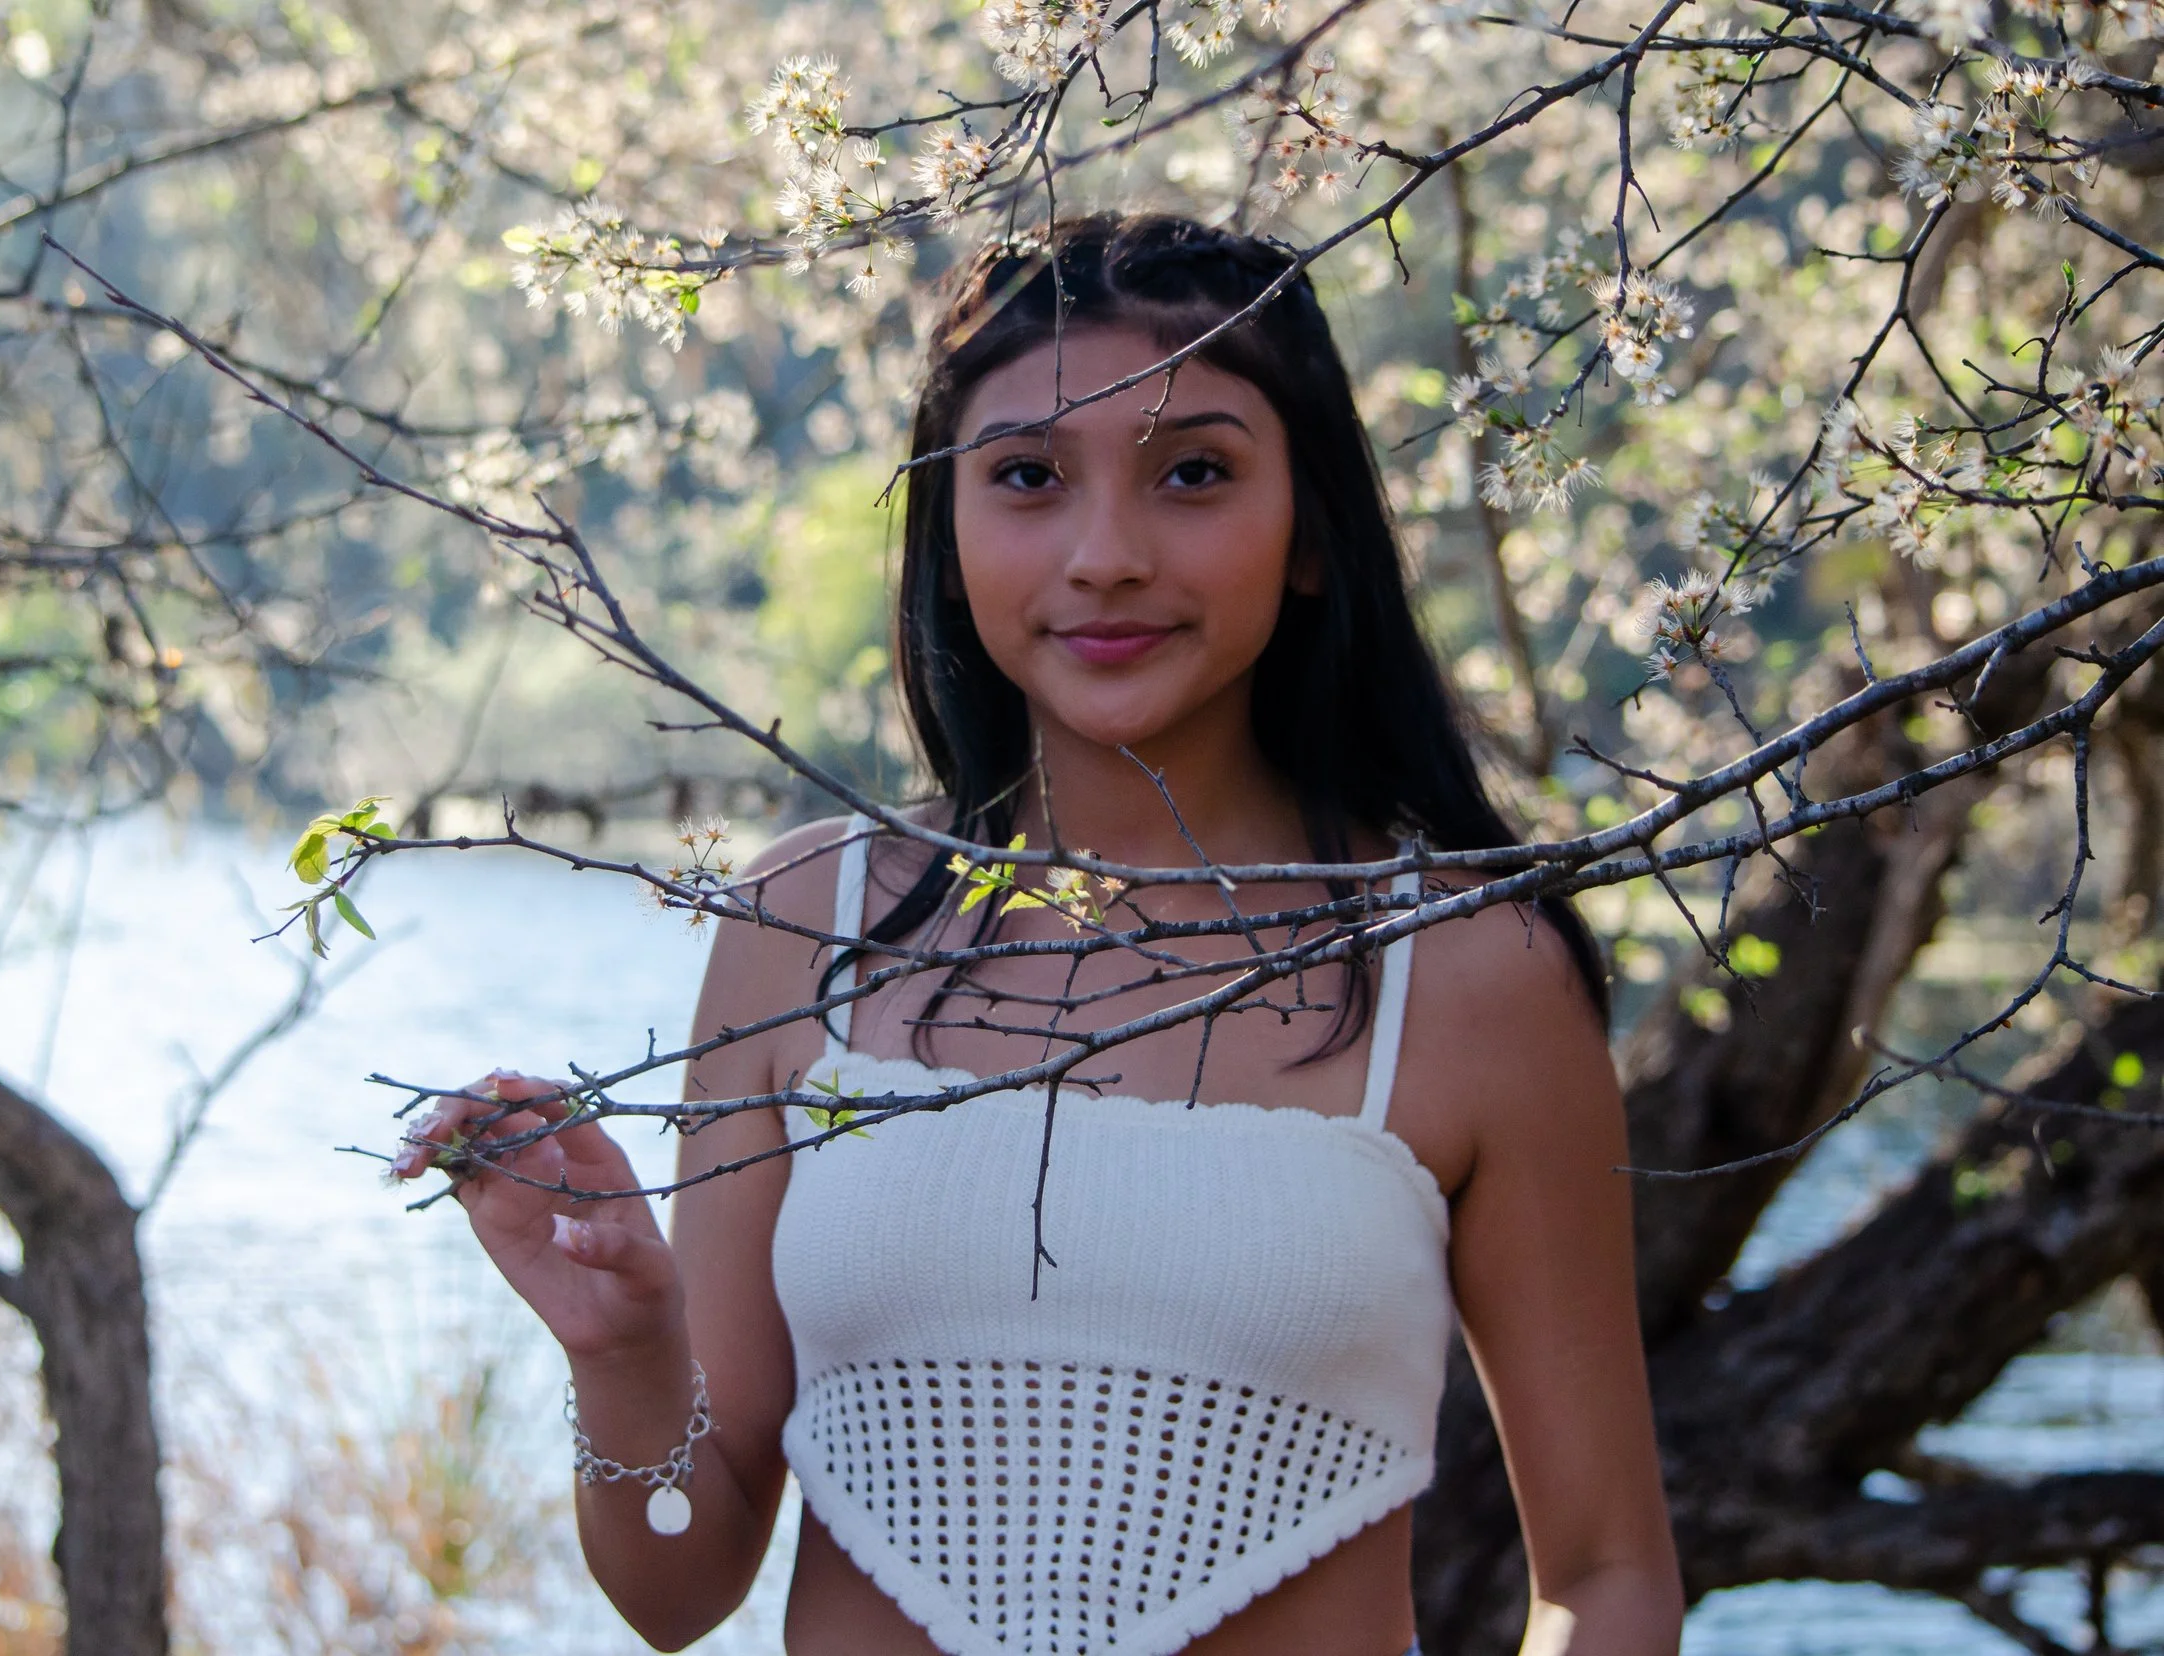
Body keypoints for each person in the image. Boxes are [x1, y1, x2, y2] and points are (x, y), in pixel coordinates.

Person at [394, 213, 1683, 1656]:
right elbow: (675, 1588)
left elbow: (1608, 1574)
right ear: (948, 530)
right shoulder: (804, 923)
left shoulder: (1469, 973)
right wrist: (628, 1348)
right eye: (1026, 478)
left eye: (1194, 473)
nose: (1107, 554)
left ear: (1311, 528)